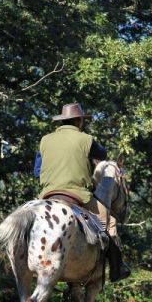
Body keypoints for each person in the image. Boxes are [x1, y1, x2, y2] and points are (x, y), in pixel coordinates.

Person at [37, 102, 126, 279]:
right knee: (110, 223)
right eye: (82, 121)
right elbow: (102, 154)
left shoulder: (45, 140)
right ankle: (117, 269)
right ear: (78, 121)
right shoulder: (86, 139)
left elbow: (36, 171)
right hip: (78, 195)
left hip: (47, 195)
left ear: (63, 121)